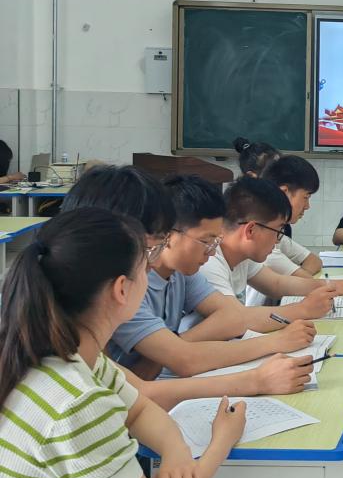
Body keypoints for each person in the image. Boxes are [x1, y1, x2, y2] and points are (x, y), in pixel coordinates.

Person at [0, 207, 245, 478]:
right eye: (146, 266)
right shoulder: (78, 402)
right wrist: (222, 441)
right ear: (121, 289)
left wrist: (175, 449)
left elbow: (140, 409)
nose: (151, 273)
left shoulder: (66, 357)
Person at [63, 167, 316, 398]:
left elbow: (233, 318)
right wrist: (259, 375)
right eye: (152, 245)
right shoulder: (110, 302)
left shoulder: (175, 275)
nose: (151, 262)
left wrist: (170, 348)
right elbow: (168, 372)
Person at [197, 177, 343, 314]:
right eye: (278, 231)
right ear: (251, 230)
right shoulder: (209, 261)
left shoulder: (242, 255)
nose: (278, 240)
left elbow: (277, 284)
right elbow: (235, 319)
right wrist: (302, 309)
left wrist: (333, 286)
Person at [261, 155, 323, 276]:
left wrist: (300, 276)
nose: (307, 206)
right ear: (283, 192)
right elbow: (305, 278)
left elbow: (314, 261)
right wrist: (300, 278)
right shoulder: (263, 244)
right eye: (305, 197)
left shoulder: (276, 232)